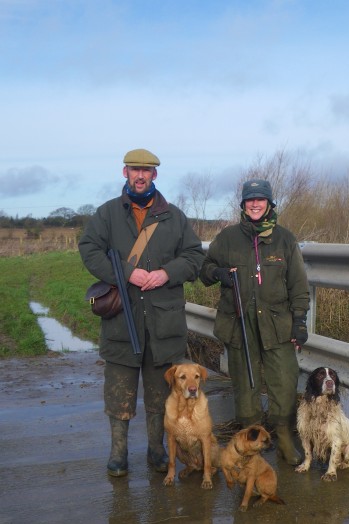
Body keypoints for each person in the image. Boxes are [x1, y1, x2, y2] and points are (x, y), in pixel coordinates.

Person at [79, 148, 205, 477]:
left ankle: (156, 450)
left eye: (146, 170)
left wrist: (166, 273)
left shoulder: (174, 217)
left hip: (164, 326)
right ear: (124, 173)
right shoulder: (107, 214)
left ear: (155, 175)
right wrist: (123, 272)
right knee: (119, 393)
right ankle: (118, 454)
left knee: (159, 397)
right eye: (134, 169)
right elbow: (88, 249)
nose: (140, 175)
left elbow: (194, 257)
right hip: (122, 322)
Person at [199, 179, 310, 465]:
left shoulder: (285, 240)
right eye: (250, 200)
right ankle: (250, 444)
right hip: (239, 323)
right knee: (245, 385)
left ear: (270, 204)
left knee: (284, 381)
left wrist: (299, 321)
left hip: (277, 325)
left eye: (261, 199)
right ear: (243, 205)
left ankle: (284, 438)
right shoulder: (228, 238)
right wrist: (220, 273)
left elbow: (298, 285)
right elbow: (204, 269)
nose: (255, 204)